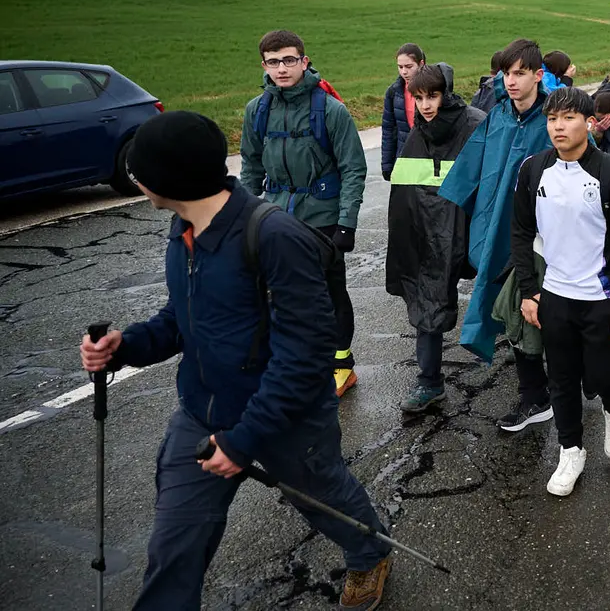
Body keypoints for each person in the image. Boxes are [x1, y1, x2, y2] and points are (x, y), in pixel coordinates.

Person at [81, 111, 392, 610]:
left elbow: (305, 356)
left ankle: (369, 553)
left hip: (287, 419)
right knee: (173, 548)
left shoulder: (275, 237)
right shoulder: (182, 229)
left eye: (140, 174)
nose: (137, 183)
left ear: (166, 179)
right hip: (203, 414)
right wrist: (127, 346)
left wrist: (244, 440)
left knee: (324, 497)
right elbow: (184, 319)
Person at [511, 87, 610, 496]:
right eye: (552, 119)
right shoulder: (533, 170)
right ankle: (571, 450)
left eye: (568, 118)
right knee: (562, 379)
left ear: (589, 122)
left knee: (603, 375)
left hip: (601, 298)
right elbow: (521, 232)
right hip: (555, 297)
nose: (558, 127)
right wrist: (529, 292)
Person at [240, 30, 367, 397]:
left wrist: (346, 223)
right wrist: (244, 218)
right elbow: (250, 167)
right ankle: (296, 364)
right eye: (274, 61)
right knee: (277, 295)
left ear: (304, 61)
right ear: (264, 65)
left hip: (322, 219)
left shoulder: (330, 110)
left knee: (329, 294)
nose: (282, 68)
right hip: (274, 218)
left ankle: (341, 365)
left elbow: (353, 169)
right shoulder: (257, 110)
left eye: (289, 60)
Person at [439, 39, 554, 432]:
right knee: (517, 316)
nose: (512, 81)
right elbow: (470, 175)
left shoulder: (554, 118)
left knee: (546, 316)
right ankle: (535, 395)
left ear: (539, 75)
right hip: (496, 236)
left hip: (542, 242)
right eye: (507, 73)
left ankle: (559, 389)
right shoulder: (498, 116)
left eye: (520, 72)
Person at [387, 64, 486, 414]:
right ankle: (429, 382)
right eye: (419, 98)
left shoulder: (474, 124)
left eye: (432, 95)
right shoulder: (419, 132)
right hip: (432, 233)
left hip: (472, 228)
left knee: (506, 299)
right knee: (427, 297)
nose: (426, 105)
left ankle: (532, 383)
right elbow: (405, 193)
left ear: (446, 93)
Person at [381, 42, 426, 181]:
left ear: (421, 64)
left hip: (428, 160)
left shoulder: (434, 91)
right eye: (400, 67)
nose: (404, 72)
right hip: (404, 159)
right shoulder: (393, 92)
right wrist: (387, 165)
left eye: (409, 66)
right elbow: (389, 130)